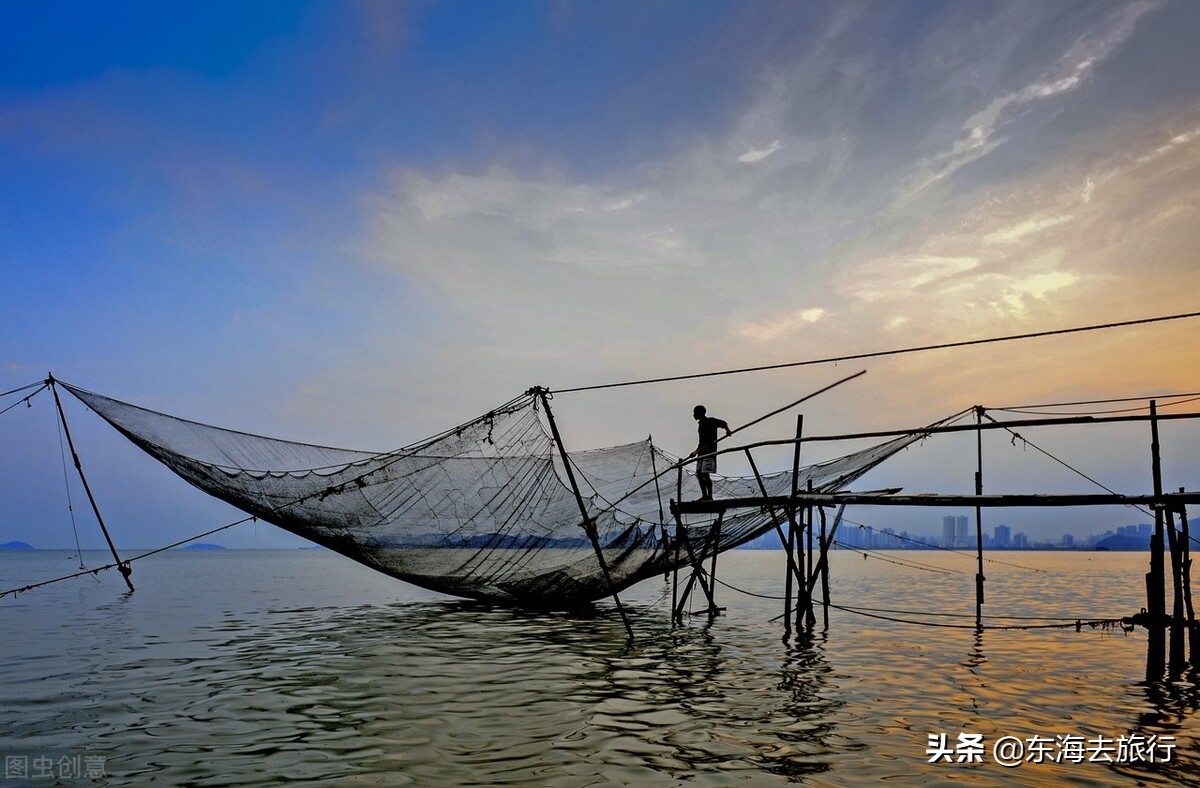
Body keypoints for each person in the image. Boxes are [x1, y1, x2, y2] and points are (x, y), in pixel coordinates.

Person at [692, 405, 731, 501]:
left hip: (709, 452)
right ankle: (705, 495)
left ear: (700, 413)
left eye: (695, 413)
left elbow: (723, 423)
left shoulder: (710, 421)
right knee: (698, 474)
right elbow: (702, 442)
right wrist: (695, 451)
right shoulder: (700, 425)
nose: (693, 415)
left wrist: (728, 431)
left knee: (705, 474)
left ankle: (709, 496)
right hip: (701, 452)